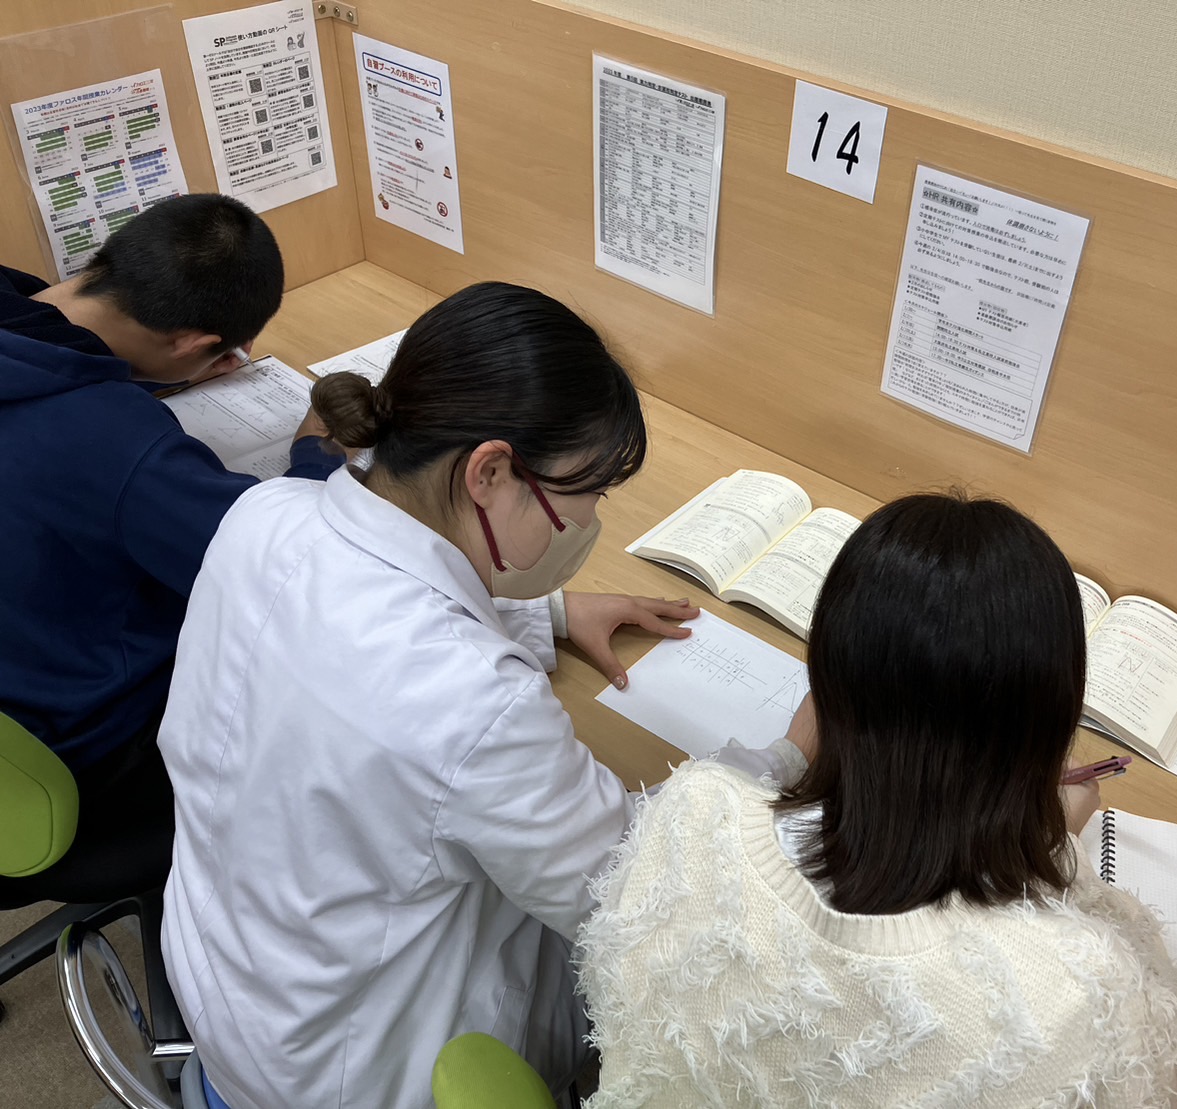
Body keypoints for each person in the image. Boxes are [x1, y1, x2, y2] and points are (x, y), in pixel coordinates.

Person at [157, 282, 807, 1109]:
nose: (590, 519)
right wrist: (785, 756)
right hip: (340, 1073)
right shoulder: (474, 699)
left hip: (223, 985)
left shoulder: (265, 515)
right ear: (490, 472)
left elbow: (367, 622)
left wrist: (550, 612)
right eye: (587, 492)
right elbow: (632, 896)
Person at [577, 493, 1177, 1108]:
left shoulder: (693, 814)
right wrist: (1054, 856)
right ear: (1045, 732)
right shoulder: (1082, 998)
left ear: (828, 683)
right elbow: (1157, 1051)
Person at [0, 195, 337, 905]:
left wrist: (152, 368)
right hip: (81, 762)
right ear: (192, 343)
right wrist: (317, 454)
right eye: (217, 350)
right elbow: (284, 565)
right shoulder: (117, 444)